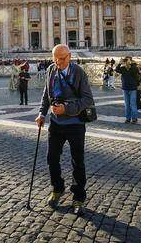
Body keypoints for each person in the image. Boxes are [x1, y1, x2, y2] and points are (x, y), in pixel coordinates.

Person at [35, 44, 94, 215]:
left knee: (78, 161)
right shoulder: (51, 70)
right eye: (56, 59)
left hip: (75, 124)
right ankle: (57, 188)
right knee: (51, 158)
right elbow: (46, 94)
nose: (59, 62)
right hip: (56, 124)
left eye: (62, 59)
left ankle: (78, 197)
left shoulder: (78, 72)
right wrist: (41, 114)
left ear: (69, 57)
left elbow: (87, 99)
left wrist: (66, 109)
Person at [115, 57, 140, 123]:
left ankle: (134, 118)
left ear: (130, 61)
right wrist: (119, 63)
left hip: (133, 89)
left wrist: (131, 64)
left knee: (133, 104)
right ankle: (128, 118)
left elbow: (136, 72)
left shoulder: (134, 68)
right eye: (125, 60)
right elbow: (116, 70)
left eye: (127, 60)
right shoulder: (123, 68)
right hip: (125, 88)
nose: (126, 61)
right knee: (127, 105)